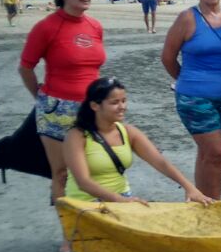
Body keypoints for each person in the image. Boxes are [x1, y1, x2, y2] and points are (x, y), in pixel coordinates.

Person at [19, 0, 106, 251]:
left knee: (95, 169)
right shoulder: (46, 27)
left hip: (93, 110)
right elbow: (26, 67)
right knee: (62, 173)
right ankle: (70, 233)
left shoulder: (94, 26)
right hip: (57, 108)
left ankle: (95, 226)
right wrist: (40, 96)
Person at [63, 76, 212, 206]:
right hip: (86, 202)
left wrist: (189, 188)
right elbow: (83, 182)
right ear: (95, 106)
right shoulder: (77, 136)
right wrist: (119, 200)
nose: (122, 107)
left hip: (122, 198)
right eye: (114, 103)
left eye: (124, 101)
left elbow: (160, 162)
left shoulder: (128, 132)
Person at [161, 0, 221, 200]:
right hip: (195, 97)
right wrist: (187, 82)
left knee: (208, 153)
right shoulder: (187, 18)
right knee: (217, 152)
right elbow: (168, 57)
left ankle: (199, 201)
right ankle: (213, 204)